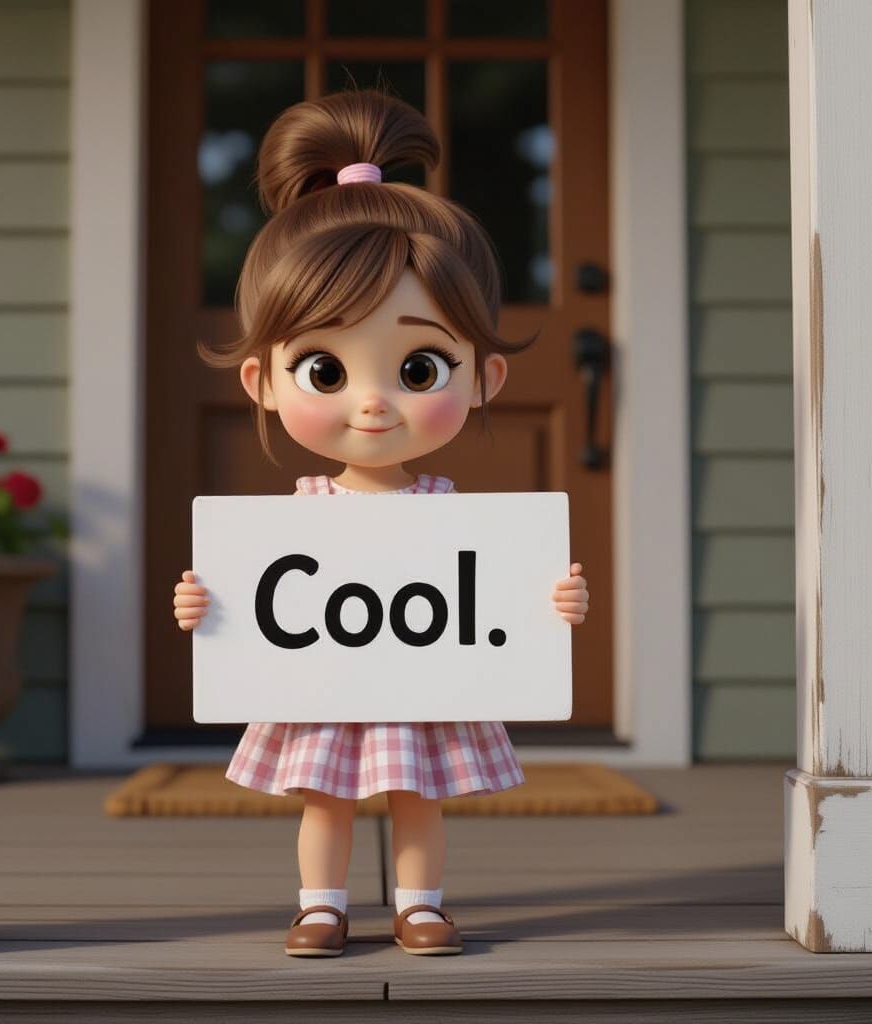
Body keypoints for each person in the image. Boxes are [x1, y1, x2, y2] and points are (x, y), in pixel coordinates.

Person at [173, 88, 589, 958]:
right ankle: (319, 903)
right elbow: (261, 597)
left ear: (483, 378)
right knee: (322, 799)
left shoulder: (445, 517)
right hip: (321, 682)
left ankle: (420, 902)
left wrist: (552, 604)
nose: (372, 401)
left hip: (425, 681)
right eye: (324, 367)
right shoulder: (303, 518)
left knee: (417, 796)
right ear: (262, 382)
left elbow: (494, 591)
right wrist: (205, 605)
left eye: (420, 364)